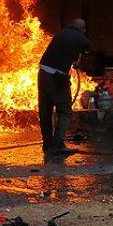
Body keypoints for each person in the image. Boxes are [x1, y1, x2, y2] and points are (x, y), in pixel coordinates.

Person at [37, 18, 90, 156]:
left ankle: (47, 144)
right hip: (58, 77)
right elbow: (85, 56)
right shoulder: (83, 39)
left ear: (70, 25)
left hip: (42, 74)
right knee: (65, 112)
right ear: (83, 30)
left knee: (45, 111)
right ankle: (58, 145)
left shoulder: (60, 33)